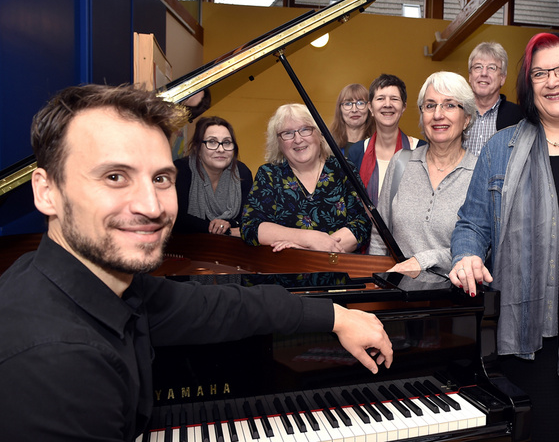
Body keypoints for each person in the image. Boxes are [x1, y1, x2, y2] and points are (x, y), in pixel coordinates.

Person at [0, 84, 392, 441]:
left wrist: (336, 317)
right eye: (115, 176)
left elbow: (222, 305)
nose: (151, 207)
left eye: (161, 179)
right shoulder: (52, 361)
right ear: (46, 191)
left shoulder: (109, 289)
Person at [449, 32, 559, 441]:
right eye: (540, 73)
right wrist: (466, 255)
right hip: (521, 337)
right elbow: (472, 223)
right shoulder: (501, 147)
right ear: (528, 85)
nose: (552, 81)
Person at [368, 71, 477, 276]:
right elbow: (379, 235)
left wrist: (424, 259)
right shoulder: (401, 162)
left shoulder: (479, 173)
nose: (438, 114)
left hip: (453, 302)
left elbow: (483, 247)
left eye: (450, 105)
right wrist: (375, 284)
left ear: (466, 119)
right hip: (398, 298)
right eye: (430, 105)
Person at [241, 103, 371, 253]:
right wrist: (309, 240)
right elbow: (251, 227)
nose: (298, 139)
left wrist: (319, 250)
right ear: (278, 142)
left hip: (336, 271)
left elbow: (362, 223)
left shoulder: (343, 169)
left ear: (319, 134)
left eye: (305, 129)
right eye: (287, 133)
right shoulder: (269, 174)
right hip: (285, 273)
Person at [345, 74, 425, 204]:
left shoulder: (421, 149)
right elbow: (351, 202)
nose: (387, 104)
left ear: (403, 107)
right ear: (370, 107)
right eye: (380, 98)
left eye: (394, 99)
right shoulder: (356, 151)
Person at [173, 116, 252, 237]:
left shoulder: (242, 172)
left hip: (231, 250)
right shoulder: (181, 170)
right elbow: (177, 219)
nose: (221, 149)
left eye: (226, 142)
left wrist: (228, 224)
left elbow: (249, 219)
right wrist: (220, 228)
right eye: (211, 142)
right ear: (197, 148)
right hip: (185, 247)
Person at [465, 41, 524, 156]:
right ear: (470, 76)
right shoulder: (456, 112)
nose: (484, 73)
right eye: (478, 67)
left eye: (492, 68)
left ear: (502, 78)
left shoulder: (519, 117)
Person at [330, 83, 375, 148]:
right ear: (340, 109)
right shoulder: (328, 144)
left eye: (360, 103)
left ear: (369, 108)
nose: (354, 110)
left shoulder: (379, 143)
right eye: (348, 104)